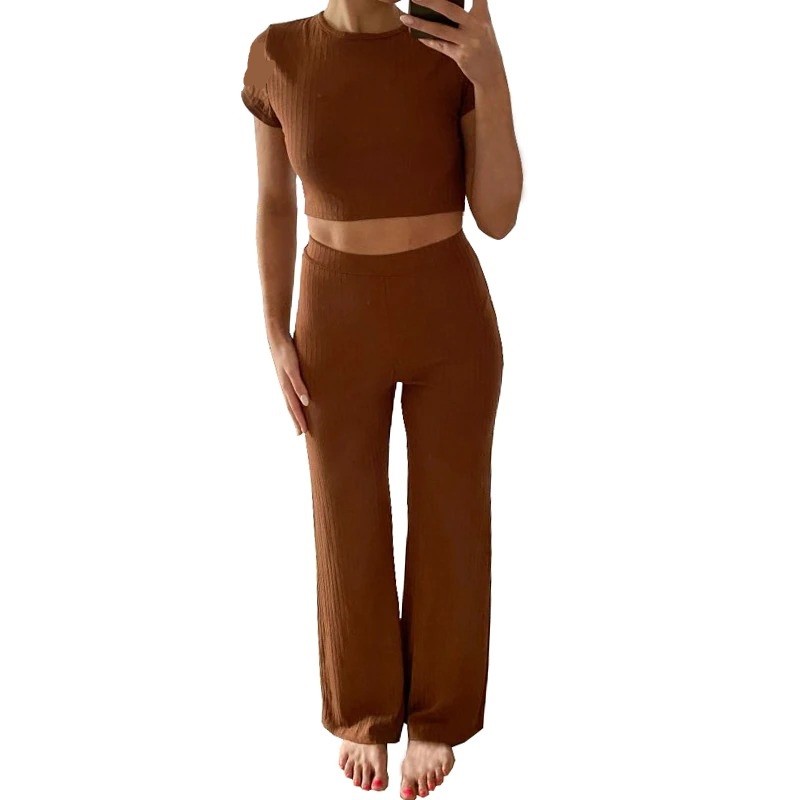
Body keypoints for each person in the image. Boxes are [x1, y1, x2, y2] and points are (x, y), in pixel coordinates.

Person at [240, 0, 522, 796]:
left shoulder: (447, 44)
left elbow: (499, 217)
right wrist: (273, 329)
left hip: (449, 316)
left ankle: (438, 717)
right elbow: (273, 201)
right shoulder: (278, 55)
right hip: (333, 319)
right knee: (345, 517)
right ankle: (363, 710)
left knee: (452, 518)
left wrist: (492, 78)